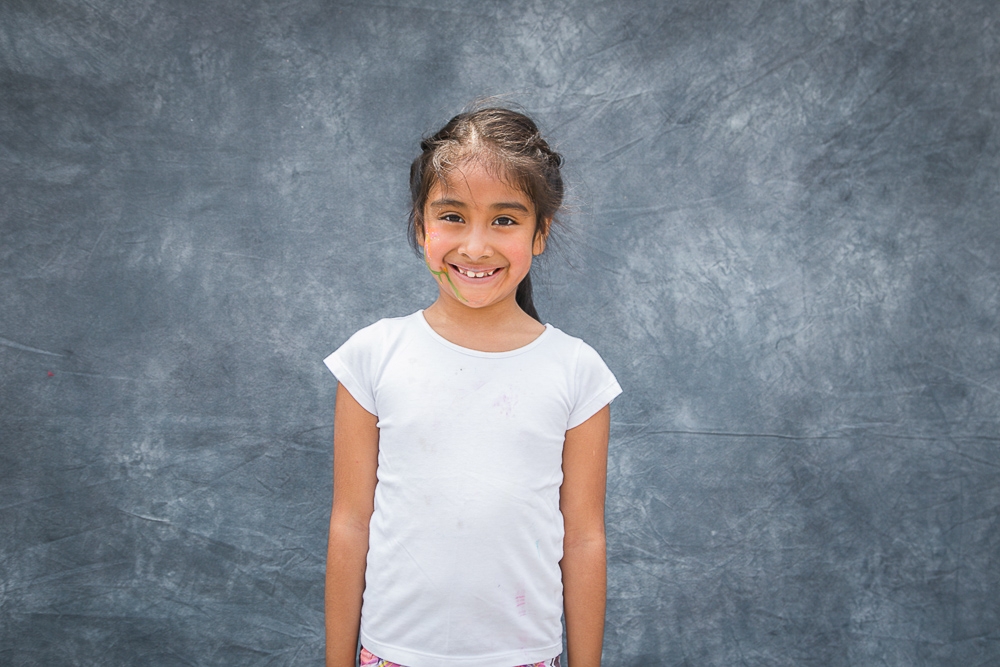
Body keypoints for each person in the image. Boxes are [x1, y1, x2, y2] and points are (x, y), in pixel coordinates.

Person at [323, 106, 622, 667]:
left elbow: (583, 538)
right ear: (421, 227)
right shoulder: (372, 357)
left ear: (540, 233)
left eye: (504, 220)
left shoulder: (576, 370)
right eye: (452, 216)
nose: (476, 247)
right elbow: (350, 523)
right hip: (393, 655)